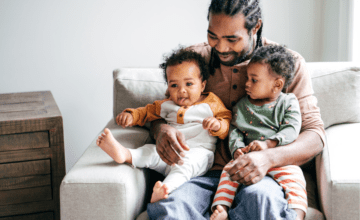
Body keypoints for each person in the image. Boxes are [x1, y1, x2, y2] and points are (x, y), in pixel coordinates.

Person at [147, 0, 325, 219]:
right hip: (199, 172)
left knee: (262, 202)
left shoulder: (286, 65)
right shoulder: (193, 60)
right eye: (213, 36)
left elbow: (315, 135)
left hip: (263, 174)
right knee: (169, 208)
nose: (221, 47)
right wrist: (160, 130)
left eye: (232, 39)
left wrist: (268, 158)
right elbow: (161, 112)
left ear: (255, 27)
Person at [96, 47, 232, 203]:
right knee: (150, 151)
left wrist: (217, 125)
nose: (182, 91)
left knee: (185, 165)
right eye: (174, 85)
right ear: (168, 87)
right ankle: (125, 155)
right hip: (167, 154)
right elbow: (145, 112)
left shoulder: (211, 103)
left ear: (202, 85)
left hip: (199, 154)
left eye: (189, 84)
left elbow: (226, 119)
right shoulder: (165, 105)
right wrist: (130, 115)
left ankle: (165, 188)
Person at [211, 45, 307, 220]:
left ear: (277, 84)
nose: (246, 84)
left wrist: (269, 144)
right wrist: (237, 149)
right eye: (247, 78)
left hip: (280, 160)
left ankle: (296, 215)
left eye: (254, 80)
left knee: (296, 180)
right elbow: (235, 131)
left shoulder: (287, 102)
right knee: (228, 172)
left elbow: (292, 128)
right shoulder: (242, 106)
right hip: (248, 160)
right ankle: (221, 208)